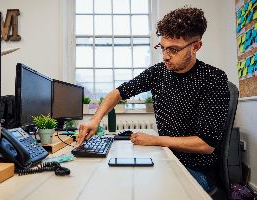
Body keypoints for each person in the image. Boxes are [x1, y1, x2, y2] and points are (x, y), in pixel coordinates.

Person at [77, 6, 230, 193]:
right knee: (114, 184)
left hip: (195, 171)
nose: (165, 56)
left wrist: (155, 140)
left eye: (173, 50)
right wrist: (95, 119)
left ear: (196, 46)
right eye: (162, 48)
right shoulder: (158, 72)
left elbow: (205, 145)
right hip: (163, 157)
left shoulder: (213, 78)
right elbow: (118, 93)